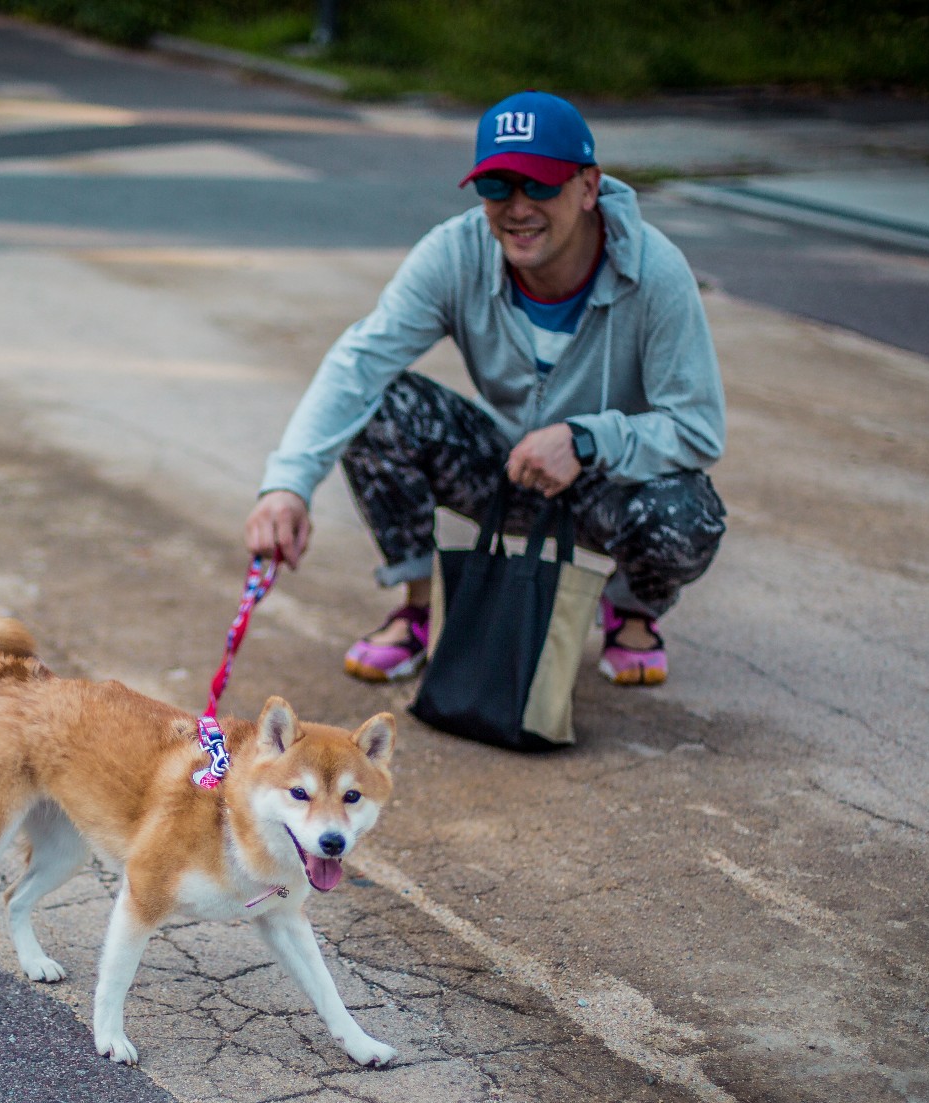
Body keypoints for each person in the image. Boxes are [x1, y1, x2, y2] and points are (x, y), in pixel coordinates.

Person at [244, 90, 727, 688]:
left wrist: (584, 440)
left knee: (688, 516)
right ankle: (417, 606)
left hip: (605, 479)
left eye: (540, 185)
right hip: (506, 464)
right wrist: (288, 484)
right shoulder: (455, 252)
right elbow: (358, 364)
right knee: (381, 409)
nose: (517, 208)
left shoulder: (656, 273)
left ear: (588, 187)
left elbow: (697, 428)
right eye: (497, 187)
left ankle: (632, 610)